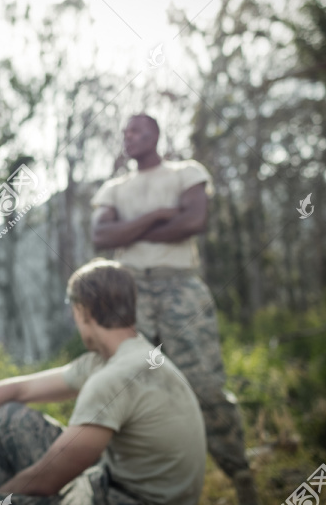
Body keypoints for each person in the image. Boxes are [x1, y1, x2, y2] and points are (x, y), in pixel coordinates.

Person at [90, 114, 260, 505]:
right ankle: (132, 485)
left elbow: (194, 220)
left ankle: (240, 475)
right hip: (129, 291)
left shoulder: (186, 172)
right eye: (125, 132)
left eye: (136, 130)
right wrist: (157, 216)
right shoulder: (114, 188)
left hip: (180, 285)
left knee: (204, 383)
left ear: (156, 134)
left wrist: (130, 230)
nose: (128, 137)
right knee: (128, 382)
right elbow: (101, 235)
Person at [0, 259, 206, 505]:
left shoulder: (114, 377)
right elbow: (19, 389)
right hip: (112, 482)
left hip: (125, 498)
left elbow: (46, 480)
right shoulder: (125, 357)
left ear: (83, 311)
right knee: (7, 419)